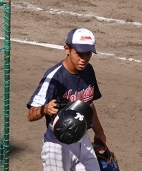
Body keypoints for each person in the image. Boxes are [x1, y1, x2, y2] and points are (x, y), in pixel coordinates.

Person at [27, 28, 109, 171]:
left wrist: (99, 131)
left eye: (88, 54)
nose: (83, 59)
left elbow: (88, 104)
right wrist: (44, 109)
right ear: (67, 49)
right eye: (79, 53)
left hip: (83, 139)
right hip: (57, 145)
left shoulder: (88, 70)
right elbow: (30, 115)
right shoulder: (53, 78)